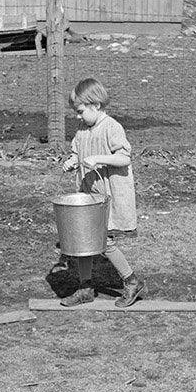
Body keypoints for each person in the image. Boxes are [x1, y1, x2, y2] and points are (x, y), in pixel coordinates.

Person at [58, 77, 145, 308]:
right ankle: (86, 288)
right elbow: (78, 153)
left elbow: (124, 157)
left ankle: (131, 280)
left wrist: (99, 159)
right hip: (89, 194)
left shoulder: (111, 127)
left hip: (107, 196)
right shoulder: (82, 129)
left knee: (103, 241)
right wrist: (72, 162)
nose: (78, 116)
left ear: (95, 105)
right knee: (81, 239)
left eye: (80, 111)